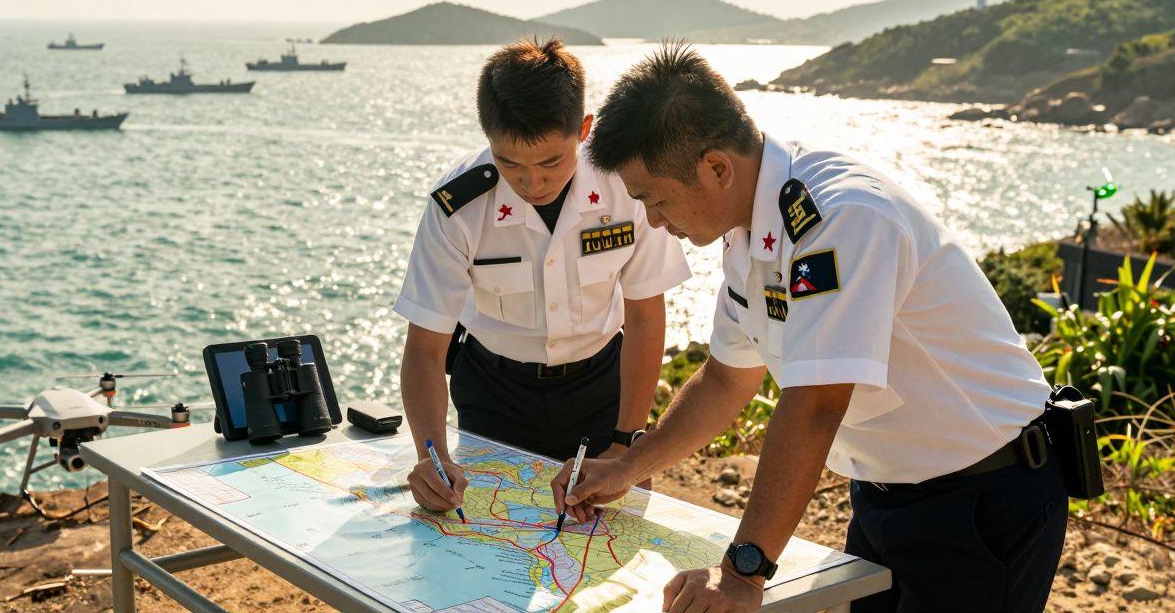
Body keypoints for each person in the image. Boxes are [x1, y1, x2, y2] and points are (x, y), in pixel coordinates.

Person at [550, 44, 1066, 612]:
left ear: (717, 167)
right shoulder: (749, 226)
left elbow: (817, 403)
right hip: (883, 495)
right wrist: (627, 464)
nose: (652, 219)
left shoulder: (843, 217)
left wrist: (743, 571)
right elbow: (726, 380)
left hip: (984, 496)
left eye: (657, 198)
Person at [394, 38, 692, 515]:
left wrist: (626, 444)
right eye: (510, 163)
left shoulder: (628, 186)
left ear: (585, 130)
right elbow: (426, 348)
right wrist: (431, 457)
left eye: (552, 161)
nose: (533, 183)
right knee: (485, 542)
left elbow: (644, 316)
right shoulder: (457, 206)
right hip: (494, 394)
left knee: (612, 540)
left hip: (604, 391)